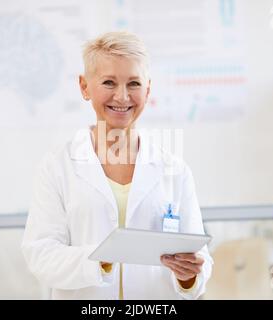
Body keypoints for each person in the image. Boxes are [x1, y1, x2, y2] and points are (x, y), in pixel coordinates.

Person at [22, 31, 213, 300]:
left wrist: (188, 275)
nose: (122, 97)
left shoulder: (175, 170)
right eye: (109, 82)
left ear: (148, 89)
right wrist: (102, 260)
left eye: (133, 83)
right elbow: (40, 254)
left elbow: (199, 258)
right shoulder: (57, 167)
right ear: (84, 86)